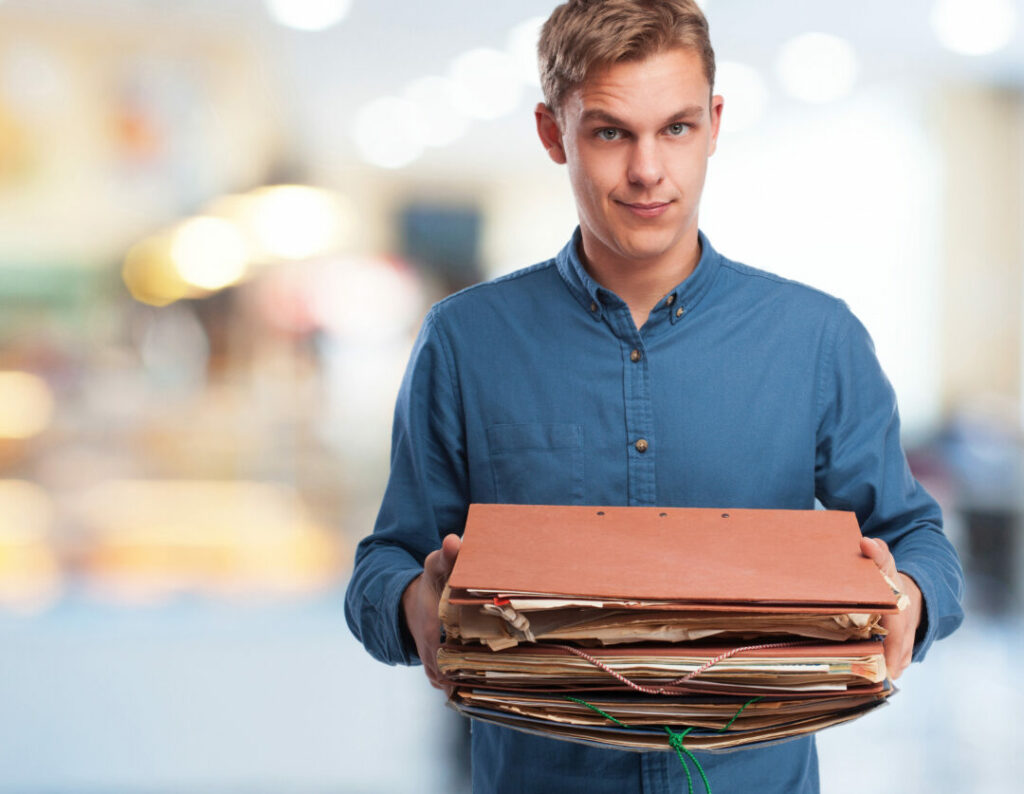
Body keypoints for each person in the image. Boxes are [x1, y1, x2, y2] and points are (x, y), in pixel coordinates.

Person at [344, 1, 965, 791]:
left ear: (713, 123)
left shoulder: (816, 338)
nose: (647, 171)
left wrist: (909, 594)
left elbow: (919, 539)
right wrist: (414, 607)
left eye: (675, 128)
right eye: (610, 132)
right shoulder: (466, 342)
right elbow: (383, 564)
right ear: (550, 132)